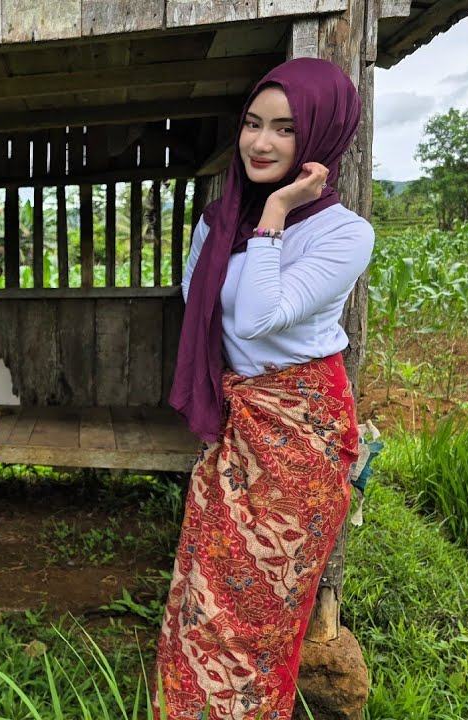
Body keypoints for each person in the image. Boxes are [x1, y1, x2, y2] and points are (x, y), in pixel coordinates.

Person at [156, 57, 373, 720]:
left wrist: (276, 210)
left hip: (300, 441)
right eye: (253, 124)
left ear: (319, 139)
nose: (260, 142)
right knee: (201, 594)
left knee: (257, 614)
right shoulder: (218, 222)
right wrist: (250, 222)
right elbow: (203, 310)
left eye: (284, 129)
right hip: (238, 424)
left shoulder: (343, 234)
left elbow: (253, 318)